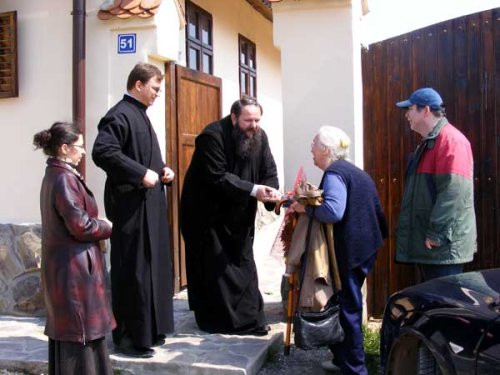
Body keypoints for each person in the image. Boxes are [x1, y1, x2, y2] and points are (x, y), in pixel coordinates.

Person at [92, 62, 175, 358]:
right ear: (138, 85)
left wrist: (163, 170)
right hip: (130, 208)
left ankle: (150, 330)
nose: (157, 94)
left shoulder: (140, 115)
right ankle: (129, 337)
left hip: (149, 205)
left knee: (152, 268)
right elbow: (102, 152)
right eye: (154, 88)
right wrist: (140, 173)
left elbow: (147, 155)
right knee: (134, 271)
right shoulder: (118, 115)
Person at [290, 126, 387, 375]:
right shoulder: (352, 171)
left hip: (352, 251)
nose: (310, 148)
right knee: (343, 303)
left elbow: (333, 212)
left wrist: (305, 209)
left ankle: (355, 369)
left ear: (325, 149)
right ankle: (340, 360)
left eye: (313, 143)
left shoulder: (335, 174)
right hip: (365, 246)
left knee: (348, 309)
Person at [180, 98, 281, 335]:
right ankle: (218, 321)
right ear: (234, 118)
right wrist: (255, 191)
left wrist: (271, 191)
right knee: (215, 269)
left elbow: (269, 170)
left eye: (257, 120)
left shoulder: (260, 136)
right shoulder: (211, 137)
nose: (253, 125)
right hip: (208, 216)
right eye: (248, 120)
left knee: (244, 263)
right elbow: (217, 176)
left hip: (239, 215)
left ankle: (249, 320)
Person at [33, 121, 115, 375]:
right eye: (79, 146)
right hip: (74, 272)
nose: (82, 151)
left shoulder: (57, 175)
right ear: (65, 148)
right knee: (80, 336)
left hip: (69, 269)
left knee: (77, 334)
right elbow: (79, 226)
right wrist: (105, 226)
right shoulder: (63, 179)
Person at [395, 87, 477, 282]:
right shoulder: (432, 142)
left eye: (410, 109)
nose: (407, 115)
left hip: (442, 248)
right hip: (435, 248)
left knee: (444, 304)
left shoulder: (451, 141)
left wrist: (436, 234)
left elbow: (453, 192)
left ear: (426, 110)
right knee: (435, 304)